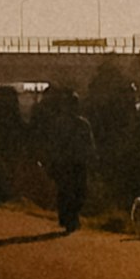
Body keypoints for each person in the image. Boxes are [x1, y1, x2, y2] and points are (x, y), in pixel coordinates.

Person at [36, 82, 94, 233]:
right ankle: (70, 219)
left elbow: (88, 144)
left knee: (77, 191)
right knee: (68, 191)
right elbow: (54, 143)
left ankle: (69, 218)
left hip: (75, 162)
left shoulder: (81, 124)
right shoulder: (62, 124)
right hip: (67, 162)